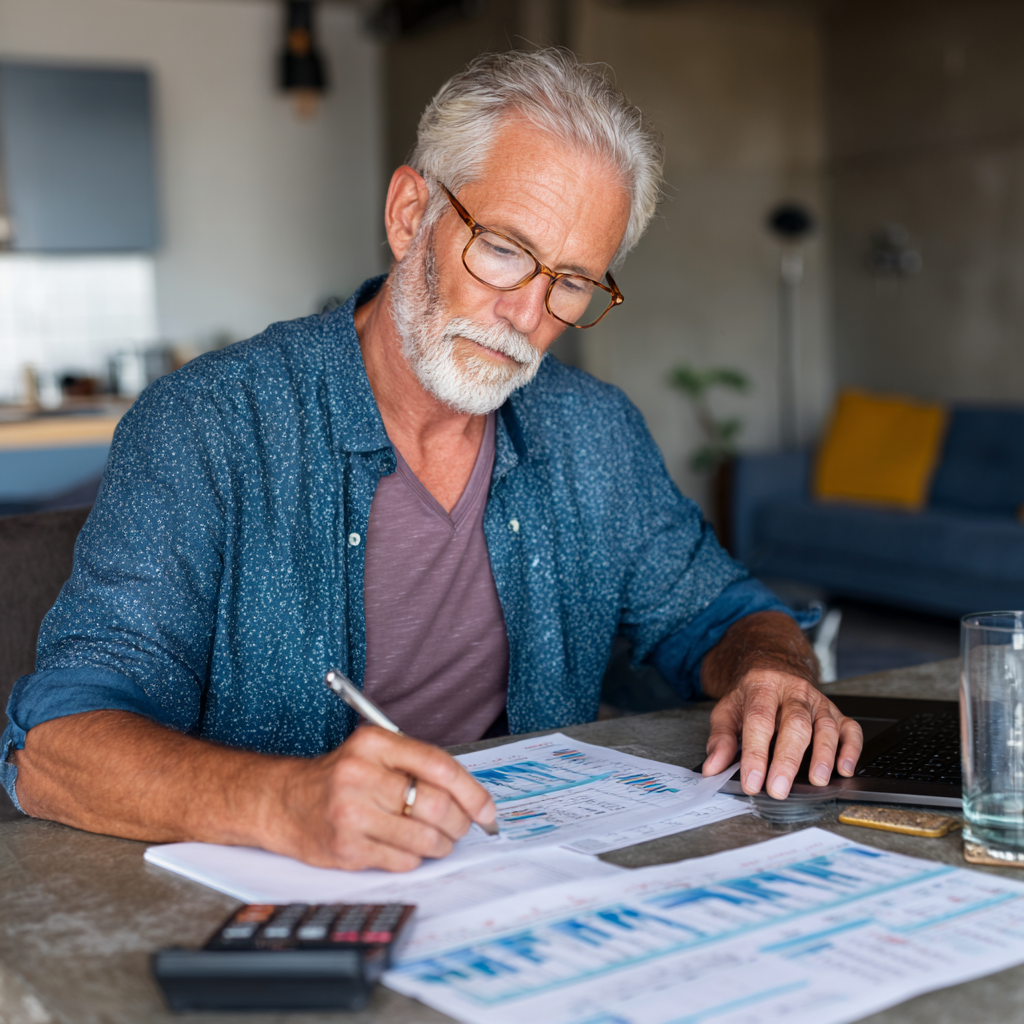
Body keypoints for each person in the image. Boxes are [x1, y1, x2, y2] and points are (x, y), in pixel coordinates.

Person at [1, 49, 861, 871]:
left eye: (571, 281)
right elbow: (54, 747)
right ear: (411, 214)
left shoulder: (590, 430)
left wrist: (772, 673)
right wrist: (282, 802)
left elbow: (719, 612)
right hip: (277, 902)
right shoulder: (210, 425)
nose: (526, 312)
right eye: (502, 248)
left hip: (522, 879)